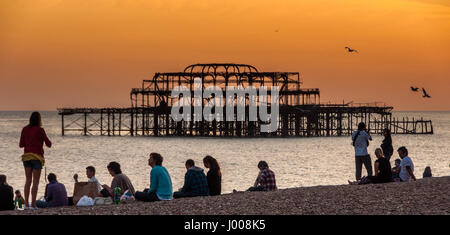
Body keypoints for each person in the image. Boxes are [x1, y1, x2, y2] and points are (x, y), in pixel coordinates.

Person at [19, 111, 52, 209]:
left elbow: (21, 144)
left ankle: (26, 205)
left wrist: (29, 142)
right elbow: (49, 144)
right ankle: (33, 204)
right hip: (37, 157)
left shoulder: (24, 129)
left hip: (26, 157)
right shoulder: (40, 130)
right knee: (35, 182)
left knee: (28, 181)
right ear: (39, 120)